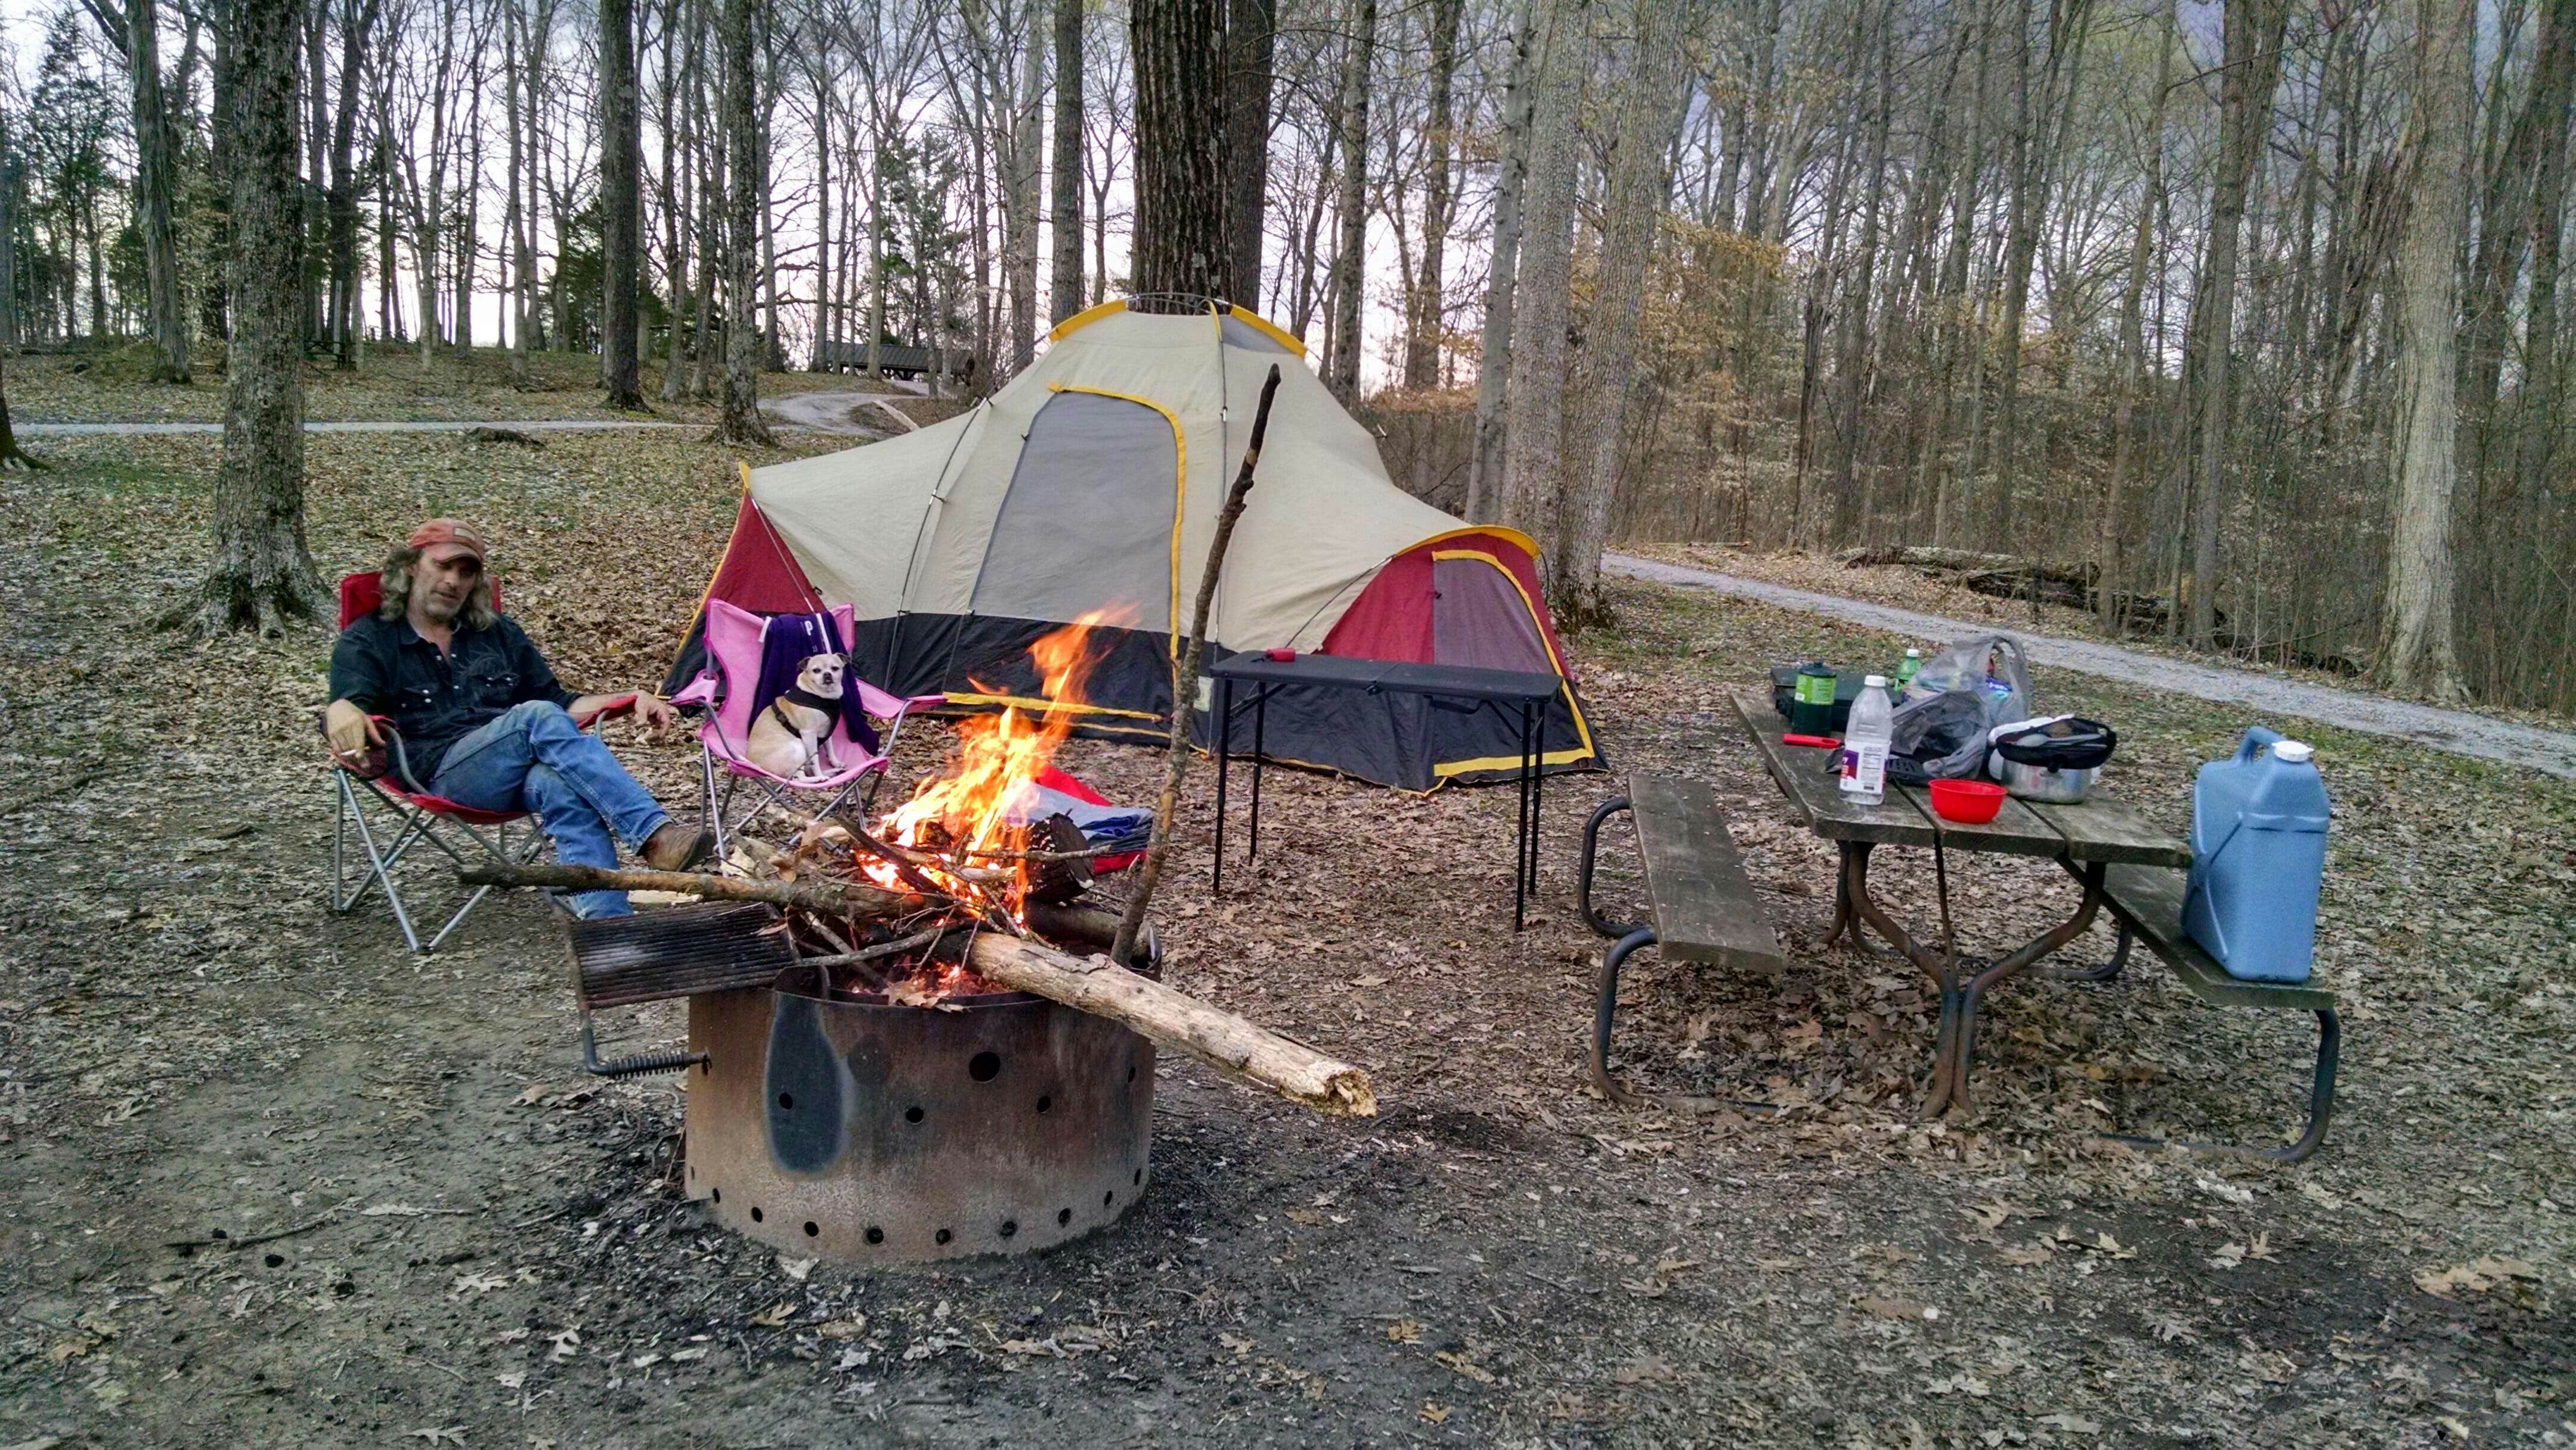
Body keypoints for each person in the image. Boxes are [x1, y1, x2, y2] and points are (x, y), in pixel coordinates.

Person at [324, 519, 712, 919]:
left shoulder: (497, 633)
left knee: (559, 784)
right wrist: (340, 711)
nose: (453, 581)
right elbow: (349, 705)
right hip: (437, 773)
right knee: (534, 718)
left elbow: (556, 701)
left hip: (508, 772)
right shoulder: (370, 639)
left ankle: (607, 923)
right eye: (442, 566)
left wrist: (628, 699)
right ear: (410, 566)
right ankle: (652, 835)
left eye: (466, 572)